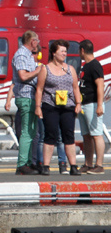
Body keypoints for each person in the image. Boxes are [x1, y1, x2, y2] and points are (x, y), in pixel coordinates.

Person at [34, 39, 82, 176]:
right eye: (62, 51)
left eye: (66, 51)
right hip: (50, 106)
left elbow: (75, 87)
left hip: (68, 106)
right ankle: (46, 165)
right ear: (54, 53)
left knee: (69, 136)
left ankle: (73, 165)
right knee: (50, 135)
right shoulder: (45, 69)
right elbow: (39, 89)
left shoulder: (70, 69)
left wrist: (78, 104)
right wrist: (38, 107)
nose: (64, 54)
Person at [10, 31, 41, 175]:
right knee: (27, 132)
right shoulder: (22, 55)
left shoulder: (28, 55)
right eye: (37, 41)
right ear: (32, 41)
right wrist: (38, 70)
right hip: (25, 96)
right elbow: (23, 76)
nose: (38, 43)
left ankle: (29, 162)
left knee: (32, 131)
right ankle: (22, 164)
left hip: (32, 96)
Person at [78, 39, 106, 174]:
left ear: (82, 50)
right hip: (83, 104)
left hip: (92, 103)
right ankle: (88, 164)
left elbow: (100, 84)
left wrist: (99, 105)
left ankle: (99, 164)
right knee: (86, 135)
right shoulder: (85, 66)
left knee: (96, 134)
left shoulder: (95, 65)